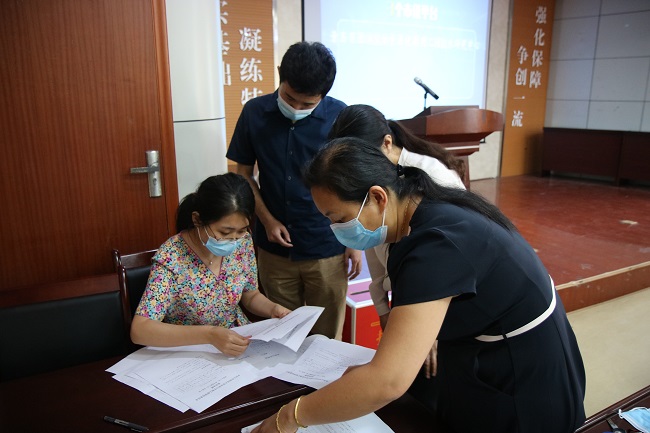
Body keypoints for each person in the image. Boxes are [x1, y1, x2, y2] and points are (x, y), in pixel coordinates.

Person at [252, 138, 586, 433]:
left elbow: (388, 381)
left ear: (378, 197)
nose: (335, 229)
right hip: (486, 351)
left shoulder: (436, 244)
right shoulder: (423, 210)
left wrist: (290, 416)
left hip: (521, 378)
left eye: (339, 218)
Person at [226, 41, 362, 340]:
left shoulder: (340, 116)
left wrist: (354, 240)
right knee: (282, 335)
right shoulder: (254, 112)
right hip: (274, 249)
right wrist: (267, 220)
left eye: (307, 104)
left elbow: (352, 182)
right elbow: (243, 174)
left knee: (326, 337)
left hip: (327, 244)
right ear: (280, 75)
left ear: (322, 95)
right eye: (290, 99)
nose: (297, 109)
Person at [328, 104, 465, 331]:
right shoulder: (375, 177)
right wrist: (382, 307)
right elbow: (373, 235)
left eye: (360, 161)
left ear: (387, 143)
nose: (355, 171)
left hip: (438, 301)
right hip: (405, 294)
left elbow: (447, 260)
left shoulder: (433, 177)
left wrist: (423, 326)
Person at [130, 173, 291, 357]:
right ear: (197, 220)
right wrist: (210, 335)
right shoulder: (172, 256)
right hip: (190, 350)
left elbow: (250, 294)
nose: (233, 240)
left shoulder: (243, 242)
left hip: (238, 340)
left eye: (241, 231)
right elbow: (140, 329)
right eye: (224, 232)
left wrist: (272, 309)